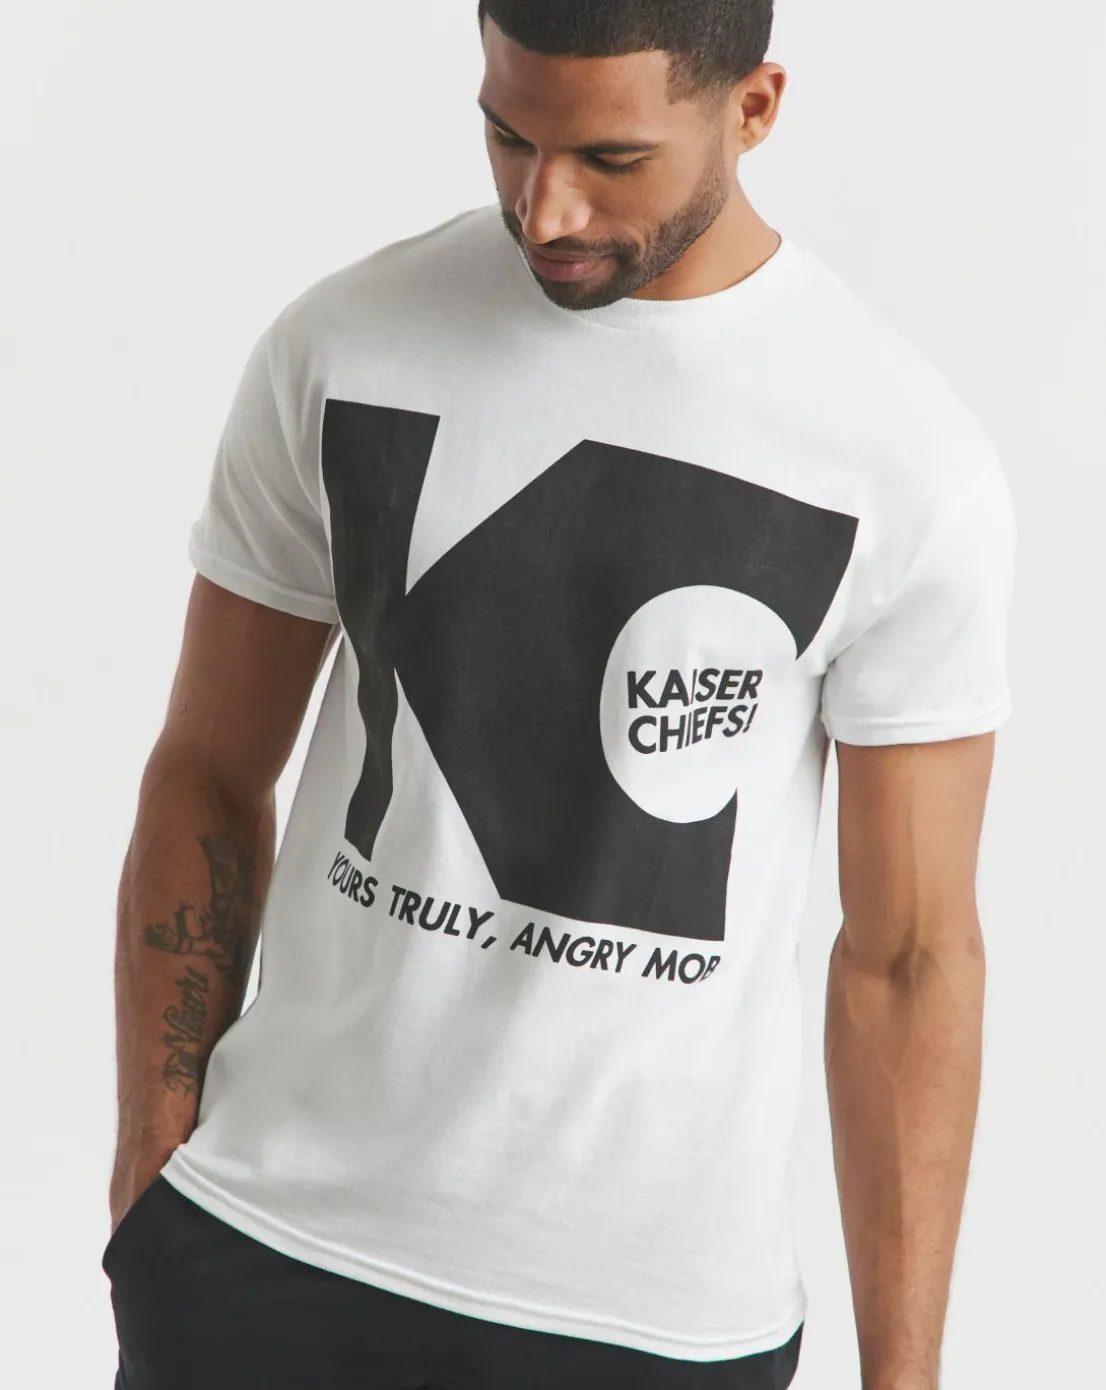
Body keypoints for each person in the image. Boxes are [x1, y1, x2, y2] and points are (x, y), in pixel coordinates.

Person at [102, 2, 1016, 1388]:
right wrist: (151, 1170)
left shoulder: (897, 455)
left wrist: (905, 1379)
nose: (545, 209)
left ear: (754, 107)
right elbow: (208, 774)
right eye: (506, 136)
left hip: (649, 1317)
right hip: (260, 1253)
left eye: (610, 158)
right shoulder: (350, 343)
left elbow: (908, 957)